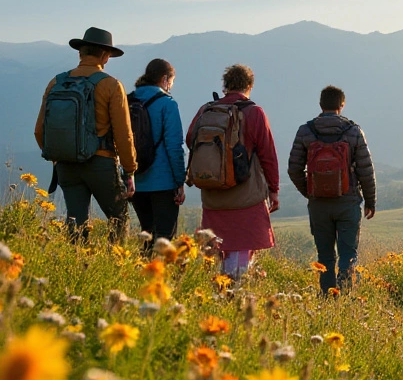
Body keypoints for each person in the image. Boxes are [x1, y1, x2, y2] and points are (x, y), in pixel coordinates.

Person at [34, 27, 136, 241]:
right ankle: (113, 266)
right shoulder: (111, 85)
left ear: (81, 52)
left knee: (75, 223)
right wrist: (130, 170)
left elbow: (39, 130)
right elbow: (123, 134)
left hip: (66, 165)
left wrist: (59, 154)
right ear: (105, 56)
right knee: (119, 219)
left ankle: (76, 266)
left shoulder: (56, 83)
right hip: (100, 163)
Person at [186, 64, 279, 279]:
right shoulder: (254, 112)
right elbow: (268, 155)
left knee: (215, 247)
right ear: (249, 86)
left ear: (225, 85)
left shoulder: (206, 110)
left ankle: (216, 289)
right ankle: (234, 292)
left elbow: (191, 139)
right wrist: (273, 190)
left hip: (212, 192)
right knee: (242, 247)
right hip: (245, 194)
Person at [287, 85, 376, 294]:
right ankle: (345, 297)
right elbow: (366, 170)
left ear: (320, 105)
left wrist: (310, 192)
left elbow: (293, 169)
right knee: (348, 254)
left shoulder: (305, 131)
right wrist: (370, 201)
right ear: (342, 105)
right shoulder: (353, 131)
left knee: (325, 256)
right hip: (348, 201)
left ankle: (328, 298)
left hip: (319, 204)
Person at [129, 59, 186, 248]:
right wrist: (179, 181)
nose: (171, 86)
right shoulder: (167, 104)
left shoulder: (129, 100)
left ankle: (142, 272)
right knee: (165, 238)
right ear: (164, 79)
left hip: (135, 181)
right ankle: (163, 275)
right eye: (171, 81)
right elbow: (174, 147)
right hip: (163, 182)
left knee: (147, 234)